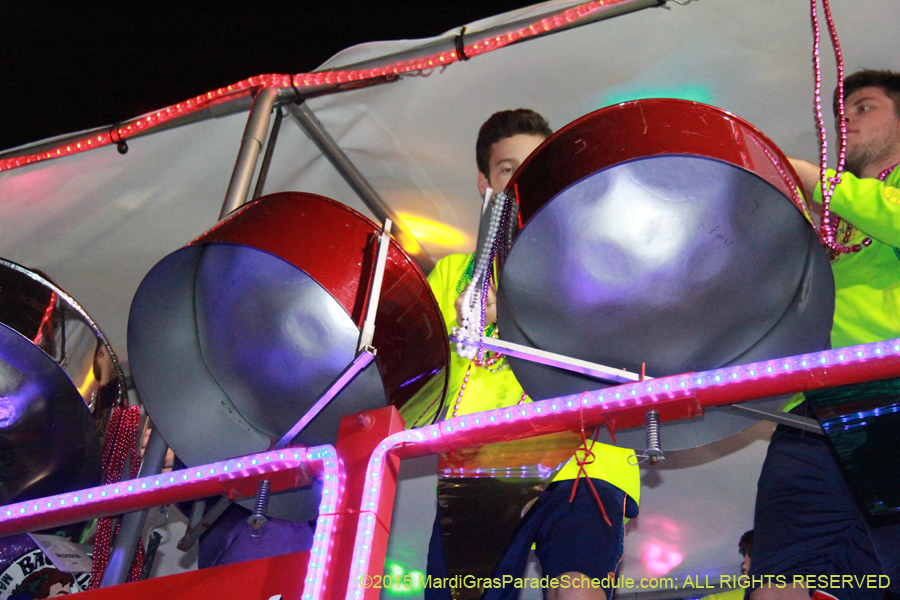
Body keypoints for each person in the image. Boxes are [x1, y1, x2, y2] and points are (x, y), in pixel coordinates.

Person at [423, 109, 640, 600]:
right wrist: (467, 322)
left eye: (536, 164)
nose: (522, 179)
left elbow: (620, 354)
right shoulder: (453, 273)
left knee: (578, 592)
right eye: (507, 169)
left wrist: (520, 321)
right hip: (482, 468)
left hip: (584, 457)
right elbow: (416, 379)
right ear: (485, 183)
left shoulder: (595, 257)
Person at [750, 70, 900, 600]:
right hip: (808, 414)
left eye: (863, 108)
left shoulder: (857, 200)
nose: (847, 123)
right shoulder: (832, 224)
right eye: (842, 115)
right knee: (779, 581)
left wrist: (819, 180)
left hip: (886, 394)